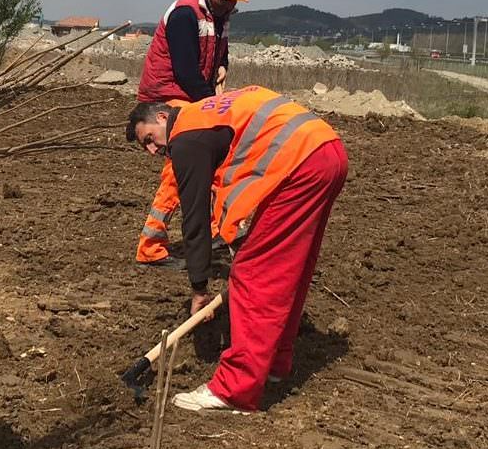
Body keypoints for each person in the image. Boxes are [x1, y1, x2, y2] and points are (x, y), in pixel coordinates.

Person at [125, 86, 348, 412]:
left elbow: (196, 218)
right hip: (326, 152)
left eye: (149, 138)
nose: (153, 150)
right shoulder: (204, 114)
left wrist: (199, 287)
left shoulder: (186, 138)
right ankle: (274, 362)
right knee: (289, 269)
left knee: (253, 273)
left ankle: (234, 389)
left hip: (301, 163)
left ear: (162, 116)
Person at [133, 0, 249, 267]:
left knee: (214, 157)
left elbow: (219, 54)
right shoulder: (185, 15)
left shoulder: (221, 16)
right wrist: (215, 107)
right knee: (182, 163)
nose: (230, 4)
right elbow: (185, 72)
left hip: (192, 96)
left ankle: (215, 231)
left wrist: (223, 65)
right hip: (165, 96)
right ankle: (151, 246)